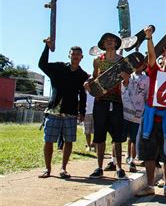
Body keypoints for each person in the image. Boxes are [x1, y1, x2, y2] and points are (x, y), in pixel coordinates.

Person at [135, 26, 166, 197]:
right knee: (149, 154)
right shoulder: (155, 72)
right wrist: (149, 38)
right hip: (151, 120)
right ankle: (150, 185)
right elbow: (151, 56)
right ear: (164, 58)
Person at [38, 38, 89, 179]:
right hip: (53, 111)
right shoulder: (59, 68)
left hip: (71, 113)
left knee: (68, 141)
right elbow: (42, 65)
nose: (76, 56)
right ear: (69, 55)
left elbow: (83, 95)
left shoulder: (82, 75)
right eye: (73, 54)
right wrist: (47, 48)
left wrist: (82, 111)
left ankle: (63, 168)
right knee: (49, 140)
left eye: (78, 54)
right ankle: (47, 169)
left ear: (82, 57)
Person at [85, 33, 127, 180]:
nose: (109, 42)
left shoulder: (122, 61)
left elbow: (127, 83)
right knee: (99, 136)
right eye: (106, 41)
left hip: (116, 101)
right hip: (100, 101)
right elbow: (94, 78)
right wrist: (88, 83)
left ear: (116, 43)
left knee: (117, 137)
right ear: (103, 44)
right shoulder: (98, 60)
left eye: (112, 40)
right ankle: (99, 167)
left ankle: (120, 167)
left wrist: (126, 78)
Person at [121, 60, 149, 173]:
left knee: (133, 139)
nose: (138, 66)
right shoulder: (128, 75)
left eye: (140, 64)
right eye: (136, 64)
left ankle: (132, 160)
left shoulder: (147, 79)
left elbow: (147, 95)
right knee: (118, 138)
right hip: (124, 112)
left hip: (138, 114)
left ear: (144, 65)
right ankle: (114, 161)